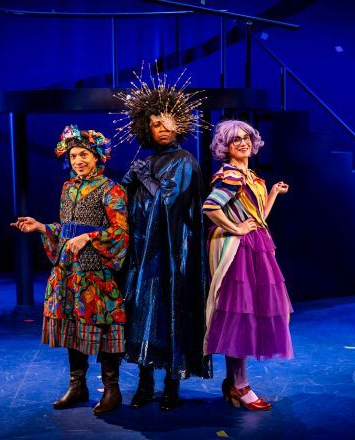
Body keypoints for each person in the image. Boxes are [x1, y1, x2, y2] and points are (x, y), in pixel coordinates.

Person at [11, 125, 128, 415]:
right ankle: (77, 386)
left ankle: (112, 390)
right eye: (74, 156)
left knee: (104, 327)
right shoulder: (68, 188)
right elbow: (66, 228)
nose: (78, 161)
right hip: (69, 270)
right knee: (73, 327)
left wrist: (89, 237)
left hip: (96, 271)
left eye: (84, 155)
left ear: (97, 156)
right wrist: (41, 227)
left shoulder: (111, 189)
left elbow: (121, 232)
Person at [113, 68, 212, 411]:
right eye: (157, 124)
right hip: (143, 254)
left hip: (170, 255)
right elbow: (124, 200)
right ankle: (144, 383)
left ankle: (171, 384)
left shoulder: (185, 161)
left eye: (170, 123)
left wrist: (145, 179)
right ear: (147, 128)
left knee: (170, 315)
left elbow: (170, 203)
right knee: (143, 316)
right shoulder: (146, 161)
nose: (165, 129)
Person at [202, 120, 293, 411]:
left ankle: (233, 383)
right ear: (225, 147)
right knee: (240, 315)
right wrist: (236, 228)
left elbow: (258, 217)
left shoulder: (249, 176)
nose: (242, 143)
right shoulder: (230, 175)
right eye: (235, 140)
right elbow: (210, 207)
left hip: (255, 244)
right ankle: (240, 385)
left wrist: (273, 193)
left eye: (246, 138)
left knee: (247, 313)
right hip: (239, 250)